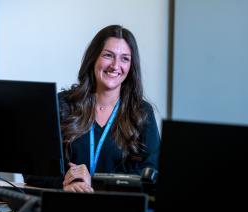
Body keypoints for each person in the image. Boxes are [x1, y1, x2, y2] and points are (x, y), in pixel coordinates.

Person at [24, 24, 160, 192]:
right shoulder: (62, 105)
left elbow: (152, 175)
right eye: (108, 55)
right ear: (94, 58)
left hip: (120, 211)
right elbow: (32, 170)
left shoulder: (142, 112)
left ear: (131, 66)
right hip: (65, 208)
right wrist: (65, 182)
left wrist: (94, 182)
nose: (115, 65)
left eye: (125, 58)